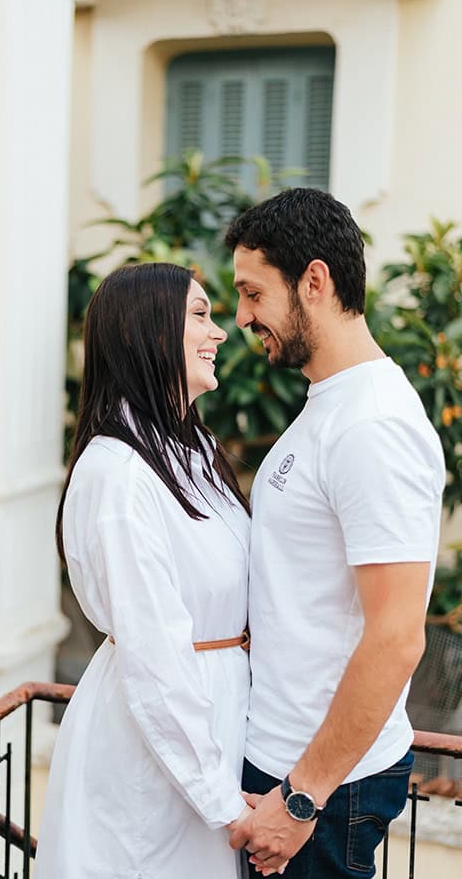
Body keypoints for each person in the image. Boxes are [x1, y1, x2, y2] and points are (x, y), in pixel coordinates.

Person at [225, 188, 445, 878]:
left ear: (313, 282)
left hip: (323, 792)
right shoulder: (331, 407)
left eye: (253, 293)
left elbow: (397, 635)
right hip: (286, 764)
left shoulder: (373, 425)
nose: (241, 317)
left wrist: (299, 800)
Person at [35, 262, 252, 879]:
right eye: (201, 316)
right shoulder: (119, 476)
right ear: (151, 334)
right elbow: (155, 654)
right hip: (155, 748)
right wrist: (223, 803)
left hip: (213, 729)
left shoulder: (196, 455)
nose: (221, 333)